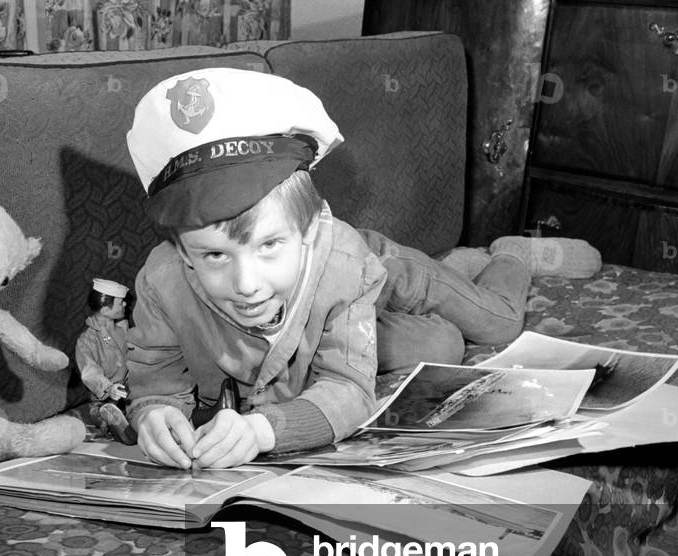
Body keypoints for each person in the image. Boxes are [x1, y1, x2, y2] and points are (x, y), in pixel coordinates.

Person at [123, 67, 601, 471]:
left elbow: (349, 393)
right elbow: (155, 382)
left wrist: (267, 429)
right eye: (214, 256)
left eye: (270, 244)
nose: (246, 284)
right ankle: (457, 266)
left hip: (376, 270)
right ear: (183, 253)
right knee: (444, 345)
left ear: (308, 229)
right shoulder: (162, 282)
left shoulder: (346, 262)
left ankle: (510, 255)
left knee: (496, 321)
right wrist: (154, 414)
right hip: (342, 315)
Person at [75, 278, 137, 445]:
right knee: (103, 411)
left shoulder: (124, 329)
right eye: (120, 303)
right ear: (104, 309)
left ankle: (135, 421)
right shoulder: (87, 340)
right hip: (105, 396)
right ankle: (114, 425)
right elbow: (90, 371)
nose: (125, 305)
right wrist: (108, 388)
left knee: (141, 406)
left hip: (131, 390)